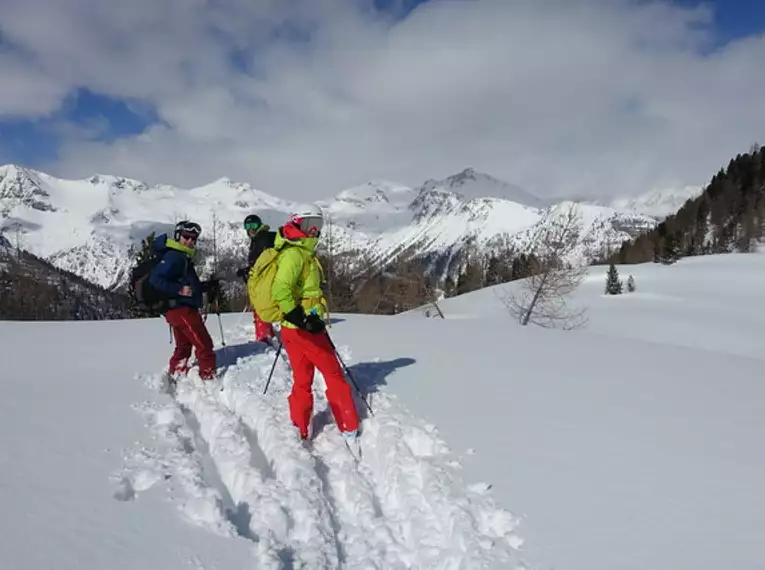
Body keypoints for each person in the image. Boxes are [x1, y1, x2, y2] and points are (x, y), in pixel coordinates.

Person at [270, 205, 360, 442]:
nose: (314, 230)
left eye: (318, 224)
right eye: (310, 223)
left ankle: (300, 425)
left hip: (292, 330)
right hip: (304, 329)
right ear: (296, 223)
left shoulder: (299, 250)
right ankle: (349, 426)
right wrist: (302, 319)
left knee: (302, 378)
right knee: (333, 374)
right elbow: (280, 289)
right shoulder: (295, 254)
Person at [149, 220, 220, 381]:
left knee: (184, 345)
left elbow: (189, 285)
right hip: (182, 310)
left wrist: (205, 287)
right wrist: (179, 290)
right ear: (178, 236)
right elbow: (156, 279)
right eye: (186, 237)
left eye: (194, 238)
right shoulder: (175, 256)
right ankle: (208, 377)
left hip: (178, 309)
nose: (190, 241)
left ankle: (177, 372)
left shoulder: (182, 256)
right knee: (204, 345)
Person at [236, 214, 277, 343]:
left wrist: (250, 270)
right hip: (263, 277)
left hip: (264, 278)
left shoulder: (262, 239)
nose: (251, 229)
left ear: (259, 225)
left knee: (260, 306)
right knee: (262, 305)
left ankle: (263, 335)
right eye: (248, 226)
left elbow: (262, 261)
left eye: (254, 225)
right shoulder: (260, 238)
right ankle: (267, 332)